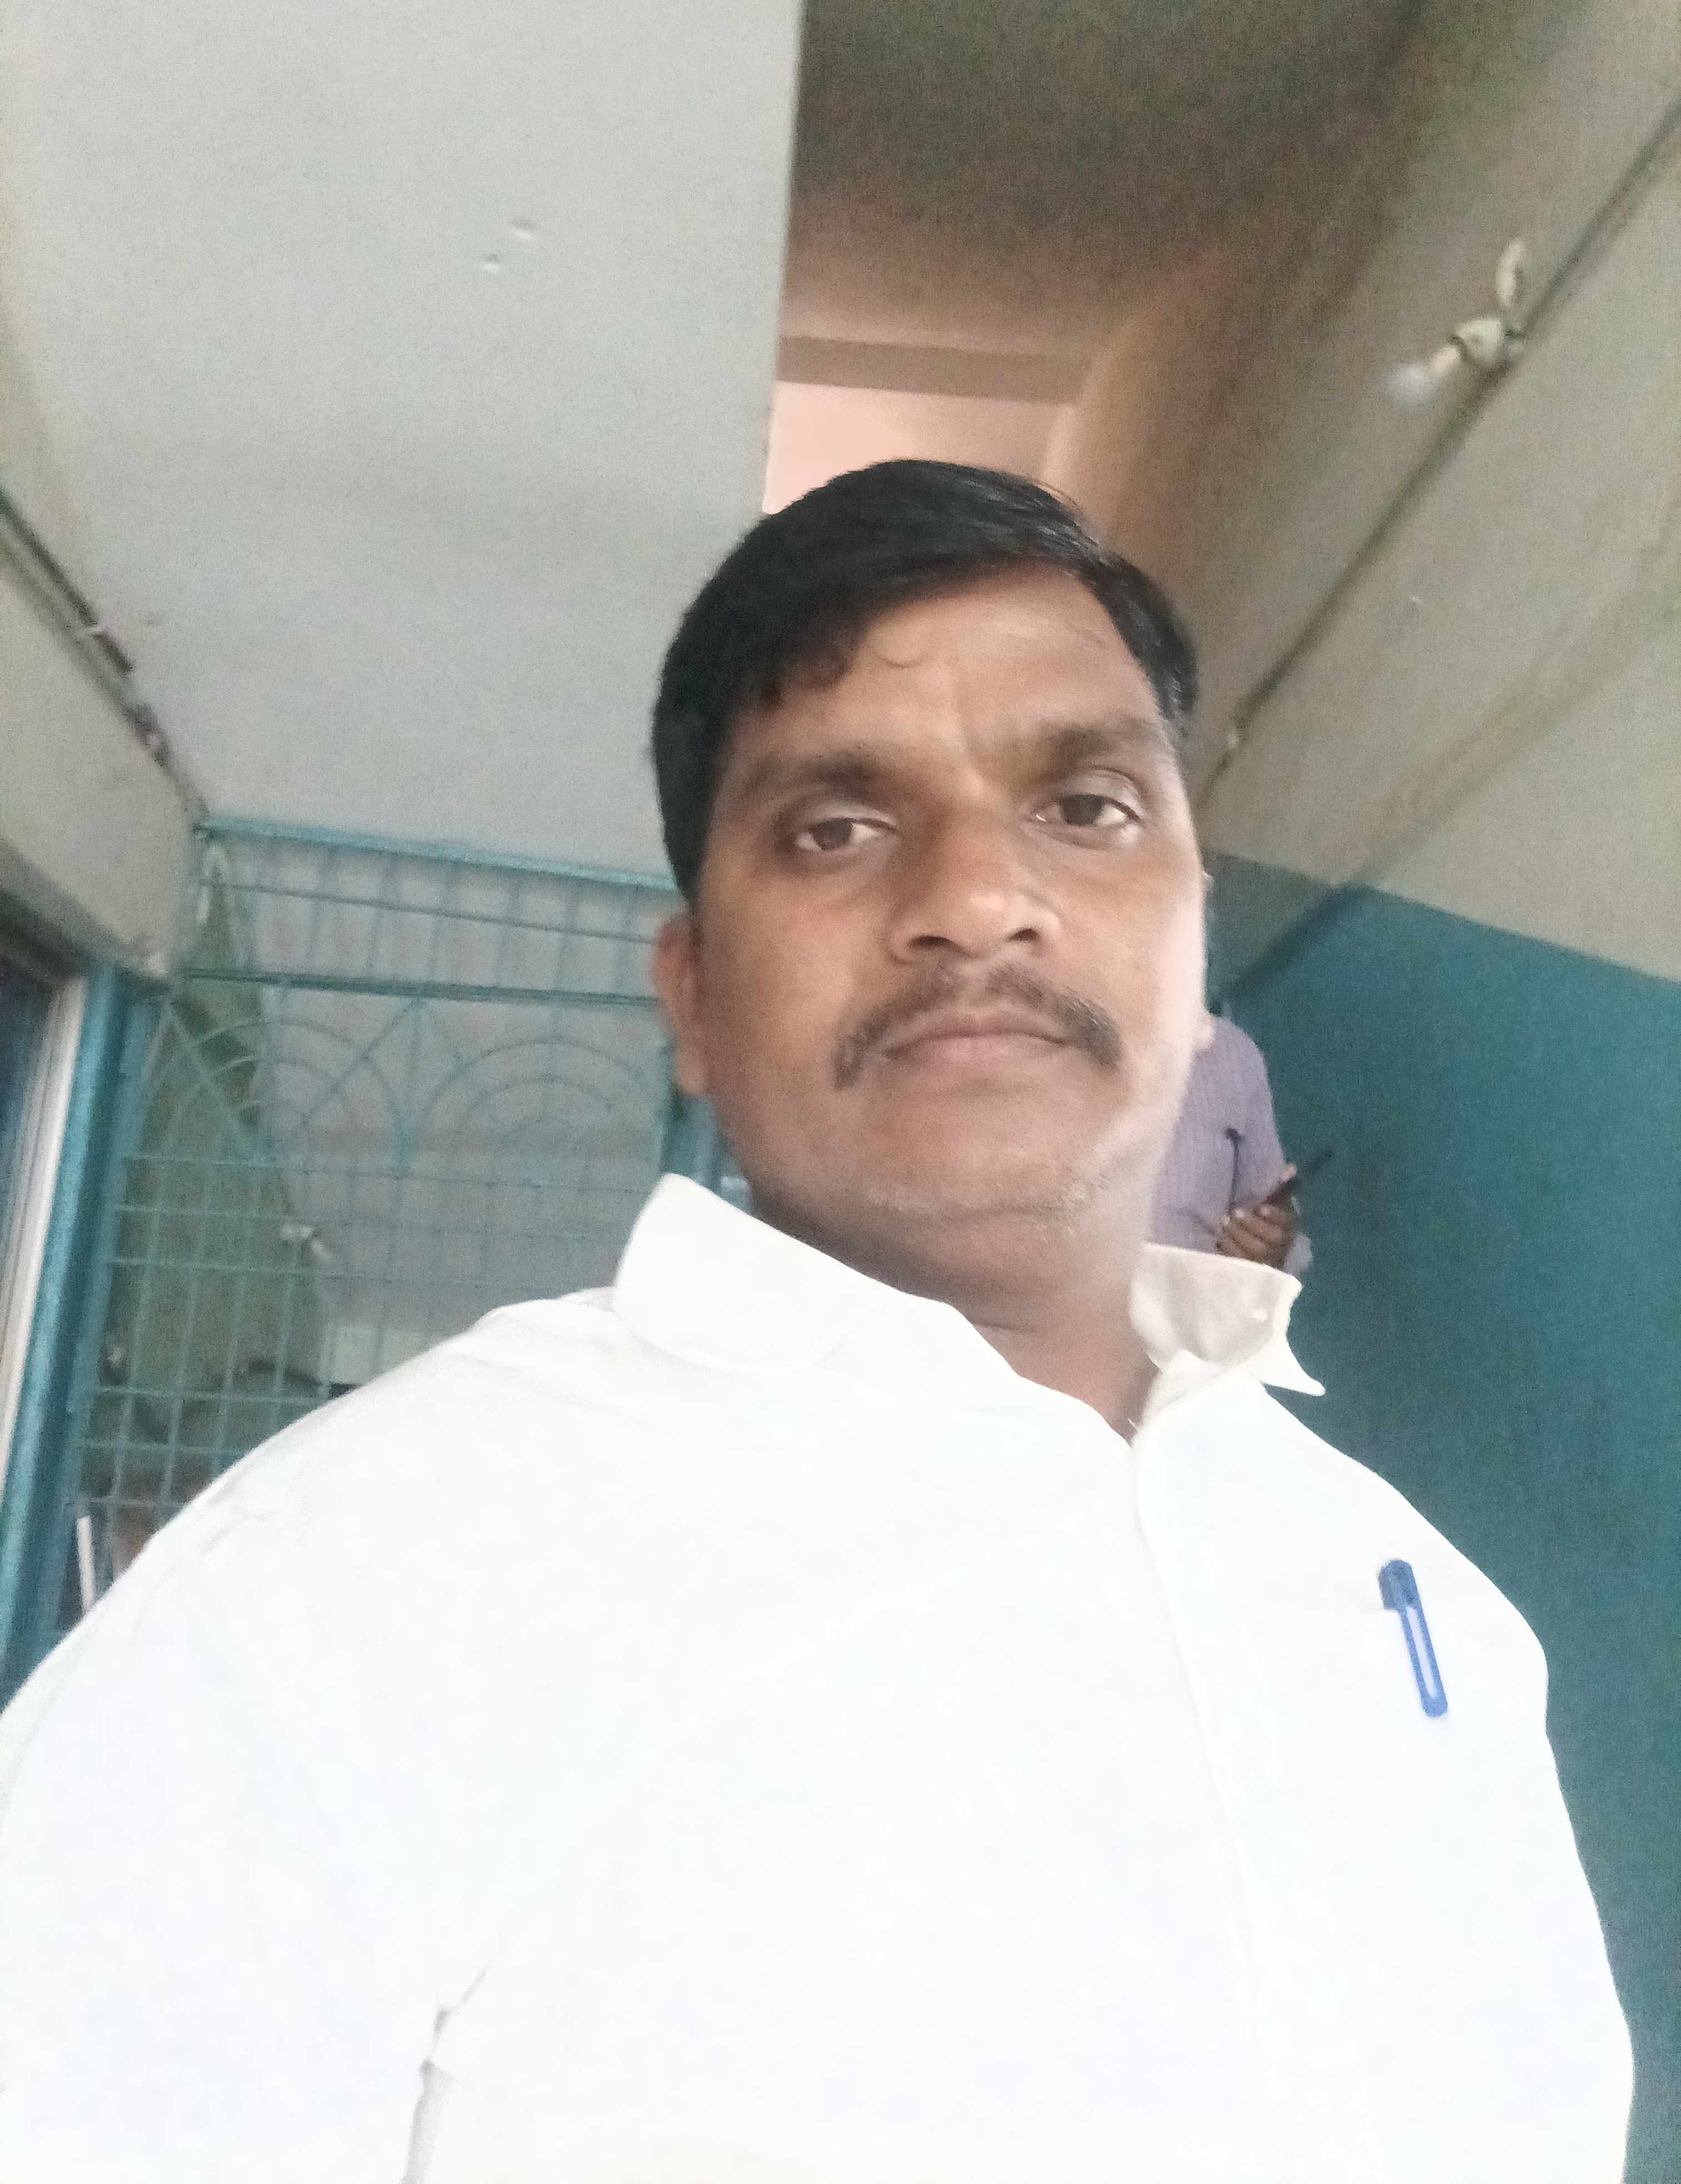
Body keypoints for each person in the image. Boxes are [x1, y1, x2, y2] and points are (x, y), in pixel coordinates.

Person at [0, 462, 1628, 2182]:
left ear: (1195, 939)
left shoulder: (1416, 1602)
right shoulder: (342, 1590)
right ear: (695, 997)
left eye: (1086, 807)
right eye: (835, 828)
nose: (977, 900)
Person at [1152, 1011, 1311, 1275]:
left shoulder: (1232, 1056)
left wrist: (1270, 1243)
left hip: (1194, 1296)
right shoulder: (1073, 1044)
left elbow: (1269, 1230)